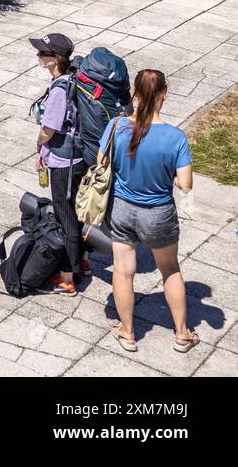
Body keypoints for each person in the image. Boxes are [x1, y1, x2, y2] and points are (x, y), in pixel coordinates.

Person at [101, 69, 198, 354]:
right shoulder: (175, 137)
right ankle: (182, 334)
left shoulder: (117, 125)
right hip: (158, 213)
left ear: (135, 94)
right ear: (164, 95)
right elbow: (185, 185)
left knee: (123, 270)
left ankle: (128, 333)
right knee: (169, 270)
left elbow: (101, 161)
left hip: (122, 209)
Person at [30, 32, 89, 297]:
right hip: (78, 156)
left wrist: (40, 145)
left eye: (43, 52)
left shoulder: (59, 89)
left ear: (55, 59)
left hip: (64, 160)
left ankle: (67, 278)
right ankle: (83, 262)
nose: (39, 56)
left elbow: (50, 128)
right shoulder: (74, 80)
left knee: (66, 216)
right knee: (74, 212)